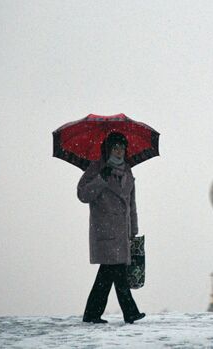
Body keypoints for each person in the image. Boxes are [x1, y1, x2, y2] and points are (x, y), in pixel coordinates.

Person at [77, 132, 146, 324]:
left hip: (122, 232)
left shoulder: (128, 171)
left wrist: (133, 230)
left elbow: (131, 203)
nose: (119, 151)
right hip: (105, 231)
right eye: (115, 147)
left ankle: (92, 314)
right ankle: (129, 312)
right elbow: (83, 194)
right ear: (108, 149)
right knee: (116, 273)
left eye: (122, 147)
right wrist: (101, 178)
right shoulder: (97, 168)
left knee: (107, 275)